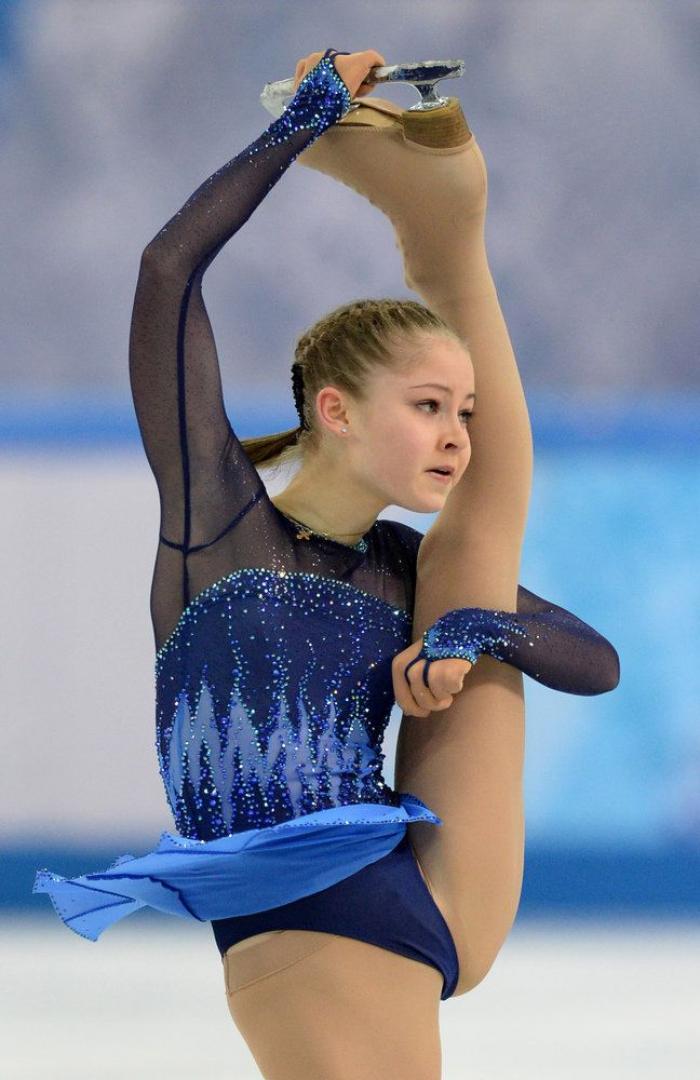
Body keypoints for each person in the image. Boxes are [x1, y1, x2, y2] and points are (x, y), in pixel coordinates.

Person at [33, 48, 619, 1078]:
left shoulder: (403, 569)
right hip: (306, 901)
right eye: (429, 407)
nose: (453, 435)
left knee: (476, 553)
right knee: (472, 545)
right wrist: (300, 120)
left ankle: (444, 236)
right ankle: (441, 225)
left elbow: (590, 658)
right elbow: (167, 272)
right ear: (336, 411)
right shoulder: (217, 524)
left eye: (464, 413)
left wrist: (473, 631)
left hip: (425, 871)